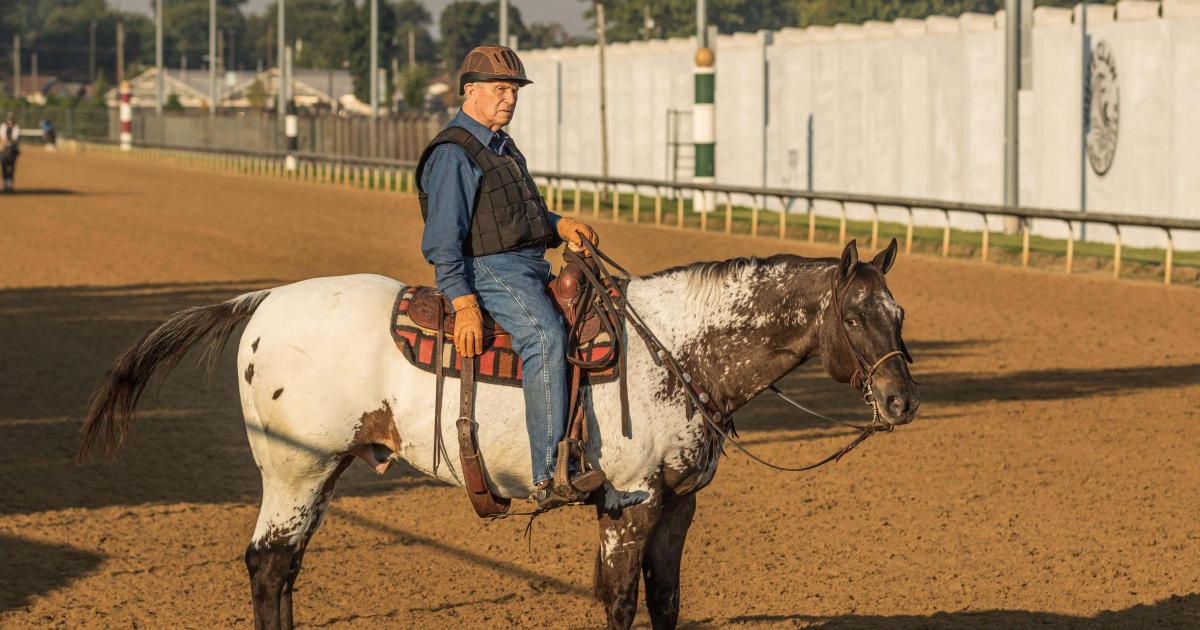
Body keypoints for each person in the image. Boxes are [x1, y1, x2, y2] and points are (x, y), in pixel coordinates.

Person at [417, 45, 605, 509]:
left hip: (527, 263)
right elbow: (444, 242)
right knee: (543, 336)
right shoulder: (454, 154)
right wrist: (463, 305)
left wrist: (559, 225)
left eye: (515, 89)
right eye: (501, 89)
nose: (511, 98)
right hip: (489, 270)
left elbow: (517, 212)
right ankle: (550, 472)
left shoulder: (501, 144)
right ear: (471, 91)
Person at [1, 113, 19, 192]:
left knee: (11, 168)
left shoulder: (16, 127)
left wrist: (10, 142)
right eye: (9, 119)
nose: (10, 121)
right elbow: (2, 137)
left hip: (12, 147)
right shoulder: (3, 126)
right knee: (4, 167)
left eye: (11, 119)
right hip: (4, 147)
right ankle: (5, 184)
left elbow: (15, 138)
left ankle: (9, 185)